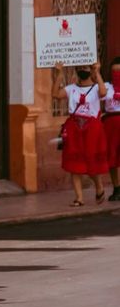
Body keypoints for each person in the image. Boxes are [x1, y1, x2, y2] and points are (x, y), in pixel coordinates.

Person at [52, 61, 108, 206]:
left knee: (91, 161)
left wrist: (97, 72)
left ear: (90, 70)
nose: (83, 70)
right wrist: (59, 73)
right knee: (74, 163)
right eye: (80, 68)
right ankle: (79, 198)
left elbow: (103, 93)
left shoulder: (96, 87)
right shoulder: (71, 89)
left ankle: (99, 186)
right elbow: (55, 94)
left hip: (92, 129)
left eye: (85, 67)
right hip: (74, 128)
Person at [102, 57, 120, 201]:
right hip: (110, 122)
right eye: (114, 71)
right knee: (112, 156)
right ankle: (117, 188)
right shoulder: (106, 87)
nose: (116, 74)